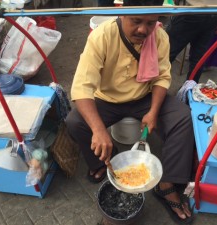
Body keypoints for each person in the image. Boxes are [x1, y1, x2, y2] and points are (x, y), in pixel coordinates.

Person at [66, 0, 195, 223]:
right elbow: (81, 87)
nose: (143, 30)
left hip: (144, 97)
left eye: (151, 23)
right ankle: (106, 163)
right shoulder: (101, 36)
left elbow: (163, 77)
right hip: (107, 99)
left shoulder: (160, 37)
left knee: (183, 118)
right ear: (122, 13)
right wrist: (98, 130)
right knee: (75, 121)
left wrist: (154, 111)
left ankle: (167, 184)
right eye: (136, 21)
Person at [166, 0, 217, 83]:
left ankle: (155, 86)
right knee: (198, 58)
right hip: (214, 13)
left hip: (191, 10)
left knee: (166, 52)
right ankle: (189, 89)